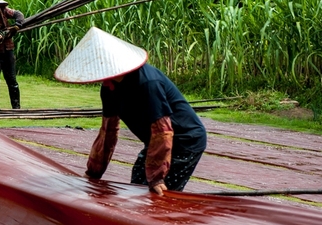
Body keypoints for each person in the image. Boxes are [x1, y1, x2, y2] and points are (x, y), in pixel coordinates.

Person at [54, 27, 207, 194]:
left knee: (158, 193)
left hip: (185, 140)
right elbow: (108, 132)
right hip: (155, 140)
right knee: (138, 184)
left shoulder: (148, 83)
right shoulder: (109, 89)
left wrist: (156, 177)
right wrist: (93, 173)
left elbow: (162, 131)